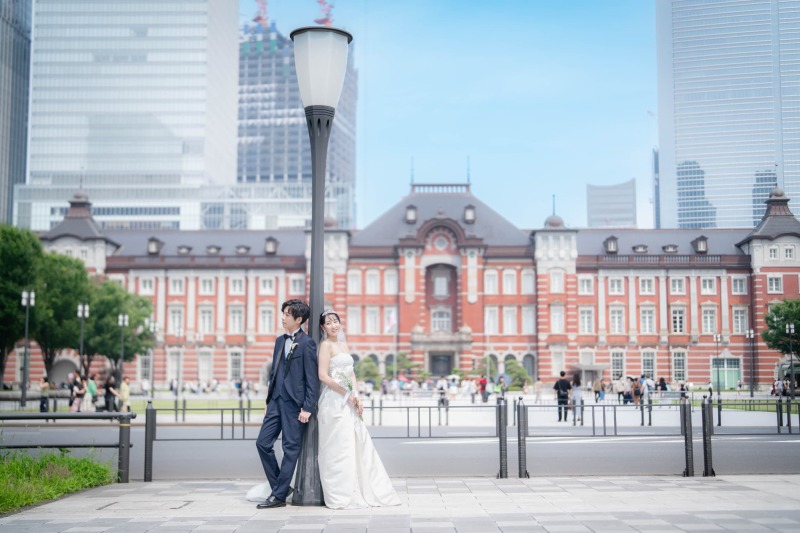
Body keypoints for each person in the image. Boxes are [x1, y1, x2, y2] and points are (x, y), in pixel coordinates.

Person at [315, 309, 400, 509]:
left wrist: (356, 396)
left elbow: (350, 373)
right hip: (334, 401)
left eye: (335, 321)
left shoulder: (343, 345)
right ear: (323, 327)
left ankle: (360, 488)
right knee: (338, 446)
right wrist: (345, 393)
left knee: (356, 444)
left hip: (349, 400)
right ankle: (340, 493)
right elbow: (323, 375)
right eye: (329, 322)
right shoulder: (325, 346)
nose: (333, 325)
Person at [255, 300, 319, 509]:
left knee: (290, 448)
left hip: (295, 404)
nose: (282, 318)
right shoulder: (279, 341)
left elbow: (312, 380)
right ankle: (281, 487)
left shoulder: (307, 343)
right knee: (262, 443)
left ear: (298, 319)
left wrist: (308, 408)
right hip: (275, 401)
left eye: (287, 315)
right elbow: (275, 373)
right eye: (283, 314)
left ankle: (279, 496)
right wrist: (269, 401)